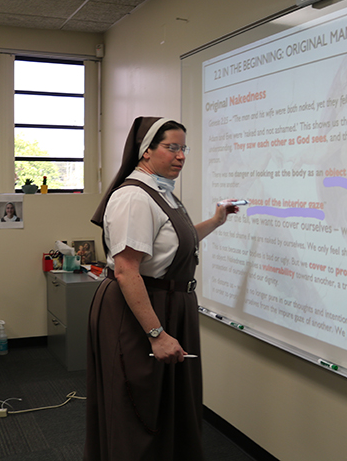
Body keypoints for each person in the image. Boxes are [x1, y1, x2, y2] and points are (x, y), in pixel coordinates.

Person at [85, 116, 241, 461]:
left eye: (183, 148)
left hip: (167, 303)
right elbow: (127, 271)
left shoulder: (161, 193)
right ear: (146, 151)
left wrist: (216, 221)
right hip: (140, 310)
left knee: (165, 404)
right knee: (139, 408)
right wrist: (156, 333)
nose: (181, 156)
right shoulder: (134, 197)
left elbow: (176, 244)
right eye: (172, 147)